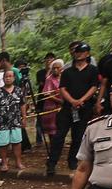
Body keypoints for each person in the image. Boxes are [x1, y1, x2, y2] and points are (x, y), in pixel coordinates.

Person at [47, 42, 101, 177]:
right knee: (59, 136)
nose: (79, 54)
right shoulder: (68, 72)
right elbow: (62, 89)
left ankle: (72, 161)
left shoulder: (93, 70)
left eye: (82, 51)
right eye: (77, 52)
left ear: (87, 53)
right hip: (67, 108)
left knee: (78, 136)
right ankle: (51, 163)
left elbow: (94, 87)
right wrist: (72, 101)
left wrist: (82, 100)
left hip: (84, 108)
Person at [0, 69, 28, 171]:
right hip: (1, 121)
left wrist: (24, 117)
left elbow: (23, 104)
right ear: (3, 78)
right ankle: (4, 162)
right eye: (6, 76)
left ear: (14, 78)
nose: (8, 78)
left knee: (17, 142)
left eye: (10, 76)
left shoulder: (18, 90)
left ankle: (18, 162)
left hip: (16, 121)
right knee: (2, 143)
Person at [39, 59, 65, 146]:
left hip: (64, 105)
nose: (56, 70)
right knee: (52, 129)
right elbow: (47, 93)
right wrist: (59, 101)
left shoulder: (65, 77)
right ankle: (53, 146)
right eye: (54, 68)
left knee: (62, 126)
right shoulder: (49, 79)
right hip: (52, 106)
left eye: (58, 68)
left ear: (62, 68)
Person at [35, 53, 57, 145]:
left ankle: (55, 139)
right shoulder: (40, 73)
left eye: (51, 59)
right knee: (39, 119)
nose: (49, 61)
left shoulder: (58, 72)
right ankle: (39, 139)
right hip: (42, 99)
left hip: (55, 100)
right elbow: (43, 83)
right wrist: (49, 71)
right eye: (47, 59)